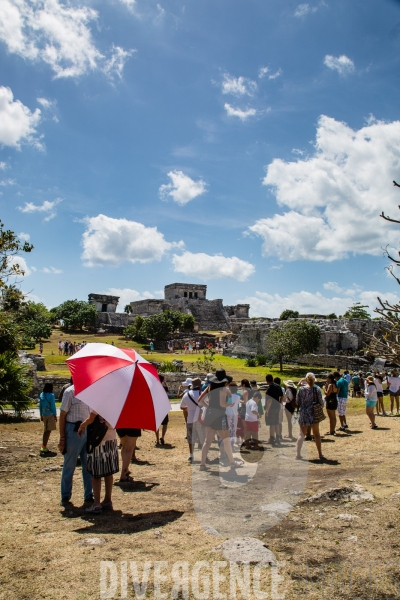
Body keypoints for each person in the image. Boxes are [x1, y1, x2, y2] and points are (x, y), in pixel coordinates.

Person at [58, 383, 93, 507]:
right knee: (70, 465)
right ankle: (65, 495)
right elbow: (62, 415)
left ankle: (89, 494)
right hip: (73, 430)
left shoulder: (90, 391)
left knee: (88, 465)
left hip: (87, 430)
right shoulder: (70, 392)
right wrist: (62, 437)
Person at [198, 369, 240, 473]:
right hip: (220, 415)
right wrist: (229, 404)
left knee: (207, 441)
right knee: (226, 440)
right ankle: (232, 463)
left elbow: (200, 400)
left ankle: (202, 464)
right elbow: (222, 404)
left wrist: (209, 407)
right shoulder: (224, 389)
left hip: (210, 414)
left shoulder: (210, 387)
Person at [78, 413, 119, 513]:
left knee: (96, 473)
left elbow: (91, 418)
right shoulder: (116, 402)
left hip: (99, 440)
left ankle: (97, 503)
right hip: (111, 439)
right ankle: (108, 500)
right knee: (108, 472)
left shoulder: (101, 400)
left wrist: (82, 425)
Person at [296, 372, 326, 462]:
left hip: (304, 412)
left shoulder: (301, 389)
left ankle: (298, 454)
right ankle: (320, 453)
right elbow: (321, 402)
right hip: (313, 412)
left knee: (302, 434)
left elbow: (297, 402)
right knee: (316, 434)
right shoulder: (316, 389)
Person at [180, 378, 202, 461]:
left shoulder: (187, 394)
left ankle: (191, 454)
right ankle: (204, 455)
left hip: (190, 419)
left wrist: (188, 408)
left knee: (190, 438)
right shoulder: (202, 394)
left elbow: (182, 407)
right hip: (200, 419)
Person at [39, 383, 57, 456]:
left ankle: (44, 446)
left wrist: (41, 415)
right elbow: (53, 406)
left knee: (46, 430)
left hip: (44, 414)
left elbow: (40, 406)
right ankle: (44, 446)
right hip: (50, 414)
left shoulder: (41, 395)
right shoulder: (51, 395)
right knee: (48, 431)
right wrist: (55, 415)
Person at [264, 374, 283, 445]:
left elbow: (269, 400)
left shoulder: (270, 388)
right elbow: (282, 396)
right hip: (277, 406)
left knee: (271, 423)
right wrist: (279, 403)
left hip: (271, 408)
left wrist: (267, 410)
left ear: (267, 380)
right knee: (276, 422)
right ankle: (278, 437)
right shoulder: (278, 386)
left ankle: (272, 438)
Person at [226, 381, 240, 448]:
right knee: (233, 429)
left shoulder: (227, 396)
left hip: (227, 413)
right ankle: (231, 444)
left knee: (227, 429)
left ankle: (227, 444)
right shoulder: (237, 397)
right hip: (234, 414)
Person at [156, 374, 169, 445]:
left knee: (157, 424)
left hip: (157, 407)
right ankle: (162, 437)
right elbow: (167, 389)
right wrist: (165, 383)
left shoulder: (154, 388)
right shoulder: (164, 388)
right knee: (165, 423)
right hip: (163, 407)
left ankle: (157, 439)